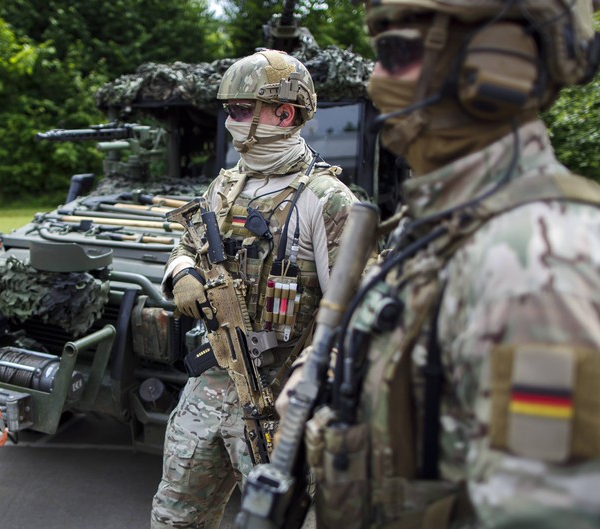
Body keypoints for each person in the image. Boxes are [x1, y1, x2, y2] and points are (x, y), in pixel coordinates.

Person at [277, 1, 600, 528]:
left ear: (502, 64)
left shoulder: (540, 265)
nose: (376, 77)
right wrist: (325, 377)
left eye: (395, 52)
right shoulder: (438, 222)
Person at [151, 50, 358, 529]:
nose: (231, 121)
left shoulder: (325, 201)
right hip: (208, 389)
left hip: (277, 406)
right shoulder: (225, 187)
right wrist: (183, 272)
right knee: (175, 517)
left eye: (242, 110)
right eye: (229, 111)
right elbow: (187, 242)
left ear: (283, 114)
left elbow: (352, 314)